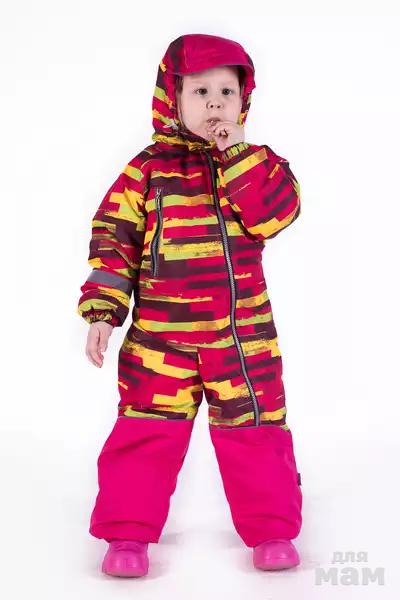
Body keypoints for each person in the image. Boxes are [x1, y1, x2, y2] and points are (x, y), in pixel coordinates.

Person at [77, 33, 303, 578]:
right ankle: (127, 535)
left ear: (243, 101)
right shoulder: (146, 171)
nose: (215, 103)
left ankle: (272, 529)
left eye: (227, 91)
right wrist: (103, 312)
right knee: (144, 435)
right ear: (171, 98)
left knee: (257, 433)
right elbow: (114, 241)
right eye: (200, 91)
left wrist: (238, 154)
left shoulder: (256, 164)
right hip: (160, 343)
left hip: (243, 340)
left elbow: (275, 215)